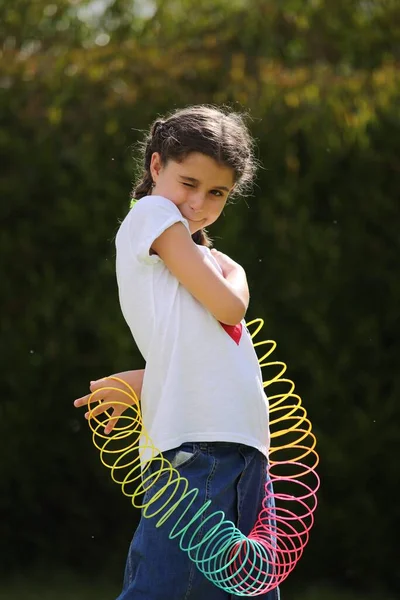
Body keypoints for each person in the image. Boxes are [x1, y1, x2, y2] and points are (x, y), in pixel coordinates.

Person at [74, 105, 280, 600]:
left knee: (241, 590)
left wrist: (141, 382)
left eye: (217, 193)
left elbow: (200, 351)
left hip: (243, 447)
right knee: (167, 590)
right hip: (202, 447)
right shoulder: (153, 215)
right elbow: (229, 307)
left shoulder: (194, 254)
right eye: (189, 182)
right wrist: (240, 278)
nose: (199, 203)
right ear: (155, 166)